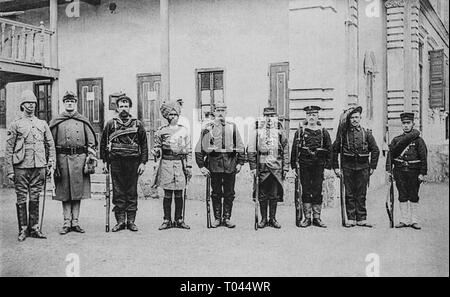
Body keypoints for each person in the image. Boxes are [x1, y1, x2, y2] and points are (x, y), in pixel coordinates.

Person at [5, 90, 55, 241]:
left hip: (39, 166)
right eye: (27, 103)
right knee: (21, 198)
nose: (31, 106)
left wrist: (50, 162)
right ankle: (23, 229)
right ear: (22, 105)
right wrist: (9, 170)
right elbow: (9, 149)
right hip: (20, 167)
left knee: (35, 197)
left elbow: (50, 145)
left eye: (33, 103)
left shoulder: (42, 124)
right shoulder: (15, 124)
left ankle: (34, 228)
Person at [49, 91, 98, 235]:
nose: (70, 103)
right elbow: (50, 143)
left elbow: (91, 143)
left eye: (72, 101)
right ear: (64, 103)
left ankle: (75, 222)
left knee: (77, 192)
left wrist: (90, 159)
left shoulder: (83, 120)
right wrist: (52, 162)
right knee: (64, 192)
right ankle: (66, 222)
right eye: (67, 101)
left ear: (76, 103)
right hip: (62, 160)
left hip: (79, 160)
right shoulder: (57, 121)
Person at [100, 93, 148, 232]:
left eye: (126, 106)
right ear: (117, 108)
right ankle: (120, 221)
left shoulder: (137, 124)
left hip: (133, 162)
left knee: (131, 191)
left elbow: (144, 144)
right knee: (118, 191)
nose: (124, 109)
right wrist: (104, 161)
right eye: (121, 106)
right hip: (116, 162)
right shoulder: (110, 124)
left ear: (130, 107)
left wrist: (143, 162)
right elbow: (103, 143)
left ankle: (131, 221)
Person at [195, 102, 245, 228]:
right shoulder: (208, 128)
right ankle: (217, 218)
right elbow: (199, 148)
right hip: (214, 164)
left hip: (230, 163)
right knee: (216, 192)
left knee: (229, 193)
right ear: (214, 112)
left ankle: (227, 218)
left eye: (223, 110)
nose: (220, 113)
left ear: (226, 112)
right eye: (218, 110)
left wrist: (240, 163)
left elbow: (240, 146)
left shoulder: (232, 127)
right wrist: (201, 166)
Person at [332, 106, 379, 227]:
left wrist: (373, 166)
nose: (354, 120)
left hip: (363, 168)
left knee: (361, 194)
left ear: (360, 118)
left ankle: (362, 218)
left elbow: (375, 150)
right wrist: (336, 168)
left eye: (356, 117)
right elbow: (334, 150)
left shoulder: (366, 133)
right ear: (349, 119)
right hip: (347, 167)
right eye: (352, 117)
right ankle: (351, 218)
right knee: (349, 194)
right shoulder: (343, 134)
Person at [152, 101, 192, 230]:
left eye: (175, 114)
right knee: (168, 193)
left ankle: (179, 219)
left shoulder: (184, 131)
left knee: (180, 192)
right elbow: (157, 146)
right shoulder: (161, 131)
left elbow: (188, 149)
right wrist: (156, 151)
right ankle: (167, 220)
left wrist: (189, 166)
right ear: (167, 117)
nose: (173, 117)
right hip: (166, 163)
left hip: (180, 163)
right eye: (171, 115)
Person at [248, 107, 289, 228]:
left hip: (276, 168)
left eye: (271, 116)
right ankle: (263, 219)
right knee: (262, 195)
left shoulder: (280, 131)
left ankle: (273, 219)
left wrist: (285, 168)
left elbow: (286, 149)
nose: (269, 119)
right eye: (267, 116)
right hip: (262, 168)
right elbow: (251, 150)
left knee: (274, 194)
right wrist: (253, 167)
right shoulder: (257, 132)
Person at [290, 106, 332, 228]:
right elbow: (294, 150)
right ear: (306, 116)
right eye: (309, 115)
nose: (312, 117)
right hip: (304, 165)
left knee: (318, 189)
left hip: (319, 165)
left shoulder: (323, 131)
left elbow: (329, 150)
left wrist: (328, 167)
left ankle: (317, 217)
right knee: (306, 189)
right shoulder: (301, 132)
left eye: (314, 114)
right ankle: (307, 217)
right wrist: (293, 167)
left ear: (318, 116)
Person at [386, 112, 427, 230]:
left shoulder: (419, 141)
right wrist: (389, 171)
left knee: (414, 195)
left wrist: (422, 173)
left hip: (414, 172)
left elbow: (424, 157)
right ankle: (404, 220)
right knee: (402, 195)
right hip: (400, 172)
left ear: (413, 124)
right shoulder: (396, 140)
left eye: (408, 123)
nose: (406, 126)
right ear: (401, 125)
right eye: (404, 123)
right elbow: (390, 157)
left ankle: (414, 220)